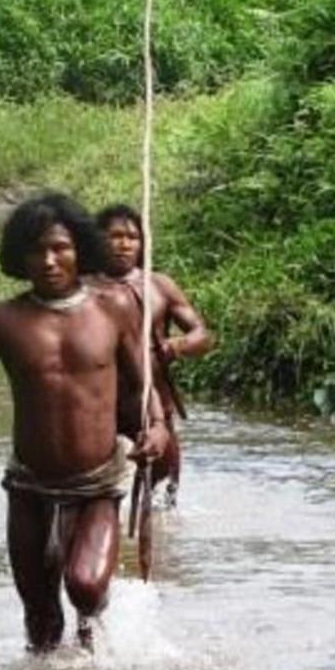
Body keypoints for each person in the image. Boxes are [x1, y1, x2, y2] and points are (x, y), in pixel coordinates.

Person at [0, 194, 168, 653]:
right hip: (28, 484)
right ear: (19, 258)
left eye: (60, 248)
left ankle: (94, 635)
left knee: (85, 587)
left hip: (97, 482)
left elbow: (141, 384)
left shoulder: (114, 308)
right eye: (36, 251)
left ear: (80, 250)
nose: (49, 261)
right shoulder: (3, 320)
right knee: (40, 615)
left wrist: (158, 425)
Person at [95, 204, 213, 506]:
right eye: (115, 236)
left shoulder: (159, 286)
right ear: (97, 240)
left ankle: (158, 543)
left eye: (132, 237)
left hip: (152, 400)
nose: (124, 244)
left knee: (163, 485)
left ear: (142, 242)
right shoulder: (84, 289)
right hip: (98, 402)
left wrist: (175, 346)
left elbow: (203, 335)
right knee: (94, 486)